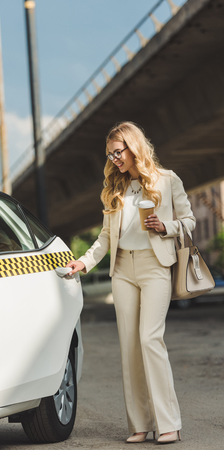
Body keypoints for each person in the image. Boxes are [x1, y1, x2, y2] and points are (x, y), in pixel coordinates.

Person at [66, 122, 195, 444]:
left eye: (118, 151)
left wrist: (165, 226)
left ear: (133, 147)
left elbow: (189, 220)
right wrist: (85, 261)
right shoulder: (115, 188)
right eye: (110, 154)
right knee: (130, 347)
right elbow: (107, 236)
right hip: (123, 269)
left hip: (155, 267)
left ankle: (169, 423)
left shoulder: (167, 180)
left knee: (150, 340)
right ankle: (140, 424)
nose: (114, 158)